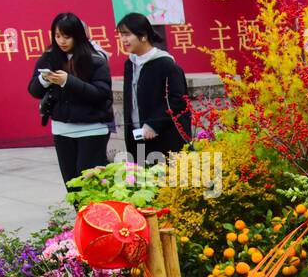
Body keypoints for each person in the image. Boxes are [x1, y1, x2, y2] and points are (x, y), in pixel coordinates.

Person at [28, 12, 113, 186]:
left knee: (89, 183)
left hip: (92, 129)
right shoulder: (49, 58)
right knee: (71, 183)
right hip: (61, 129)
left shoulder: (95, 60)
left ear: (78, 36)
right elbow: (33, 90)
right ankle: (79, 214)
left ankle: (93, 213)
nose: (62, 41)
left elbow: (101, 95)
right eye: (58, 36)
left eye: (67, 36)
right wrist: (44, 79)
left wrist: (68, 81)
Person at [117, 12, 190, 164]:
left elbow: (178, 101)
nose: (123, 40)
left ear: (143, 36)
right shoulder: (129, 64)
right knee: (142, 183)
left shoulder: (165, 64)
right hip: (137, 137)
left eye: (127, 34)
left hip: (164, 138)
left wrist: (153, 124)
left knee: (164, 183)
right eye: (121, 35)